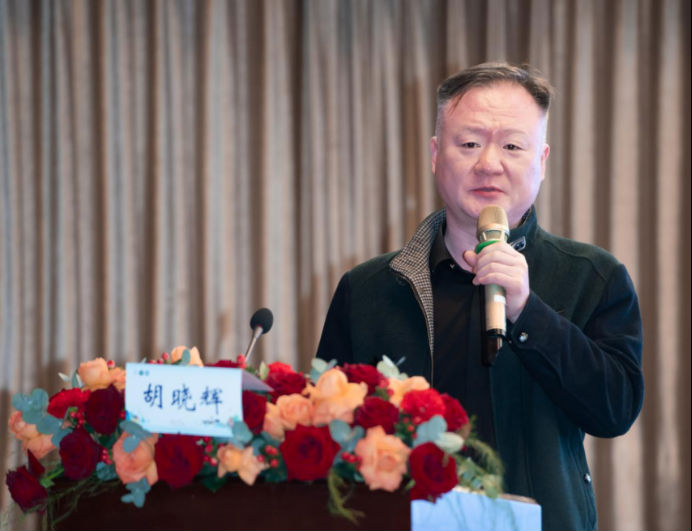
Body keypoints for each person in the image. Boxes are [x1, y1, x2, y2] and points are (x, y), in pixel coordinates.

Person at [315, 62, 644, 531]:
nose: (489, 163)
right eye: (469, 144)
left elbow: (615, 411)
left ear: (542, 160)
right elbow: (327, 427)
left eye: (512, 146)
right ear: (435, 154)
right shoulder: (369, 289)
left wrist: (527, 312)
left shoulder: (593, 277)